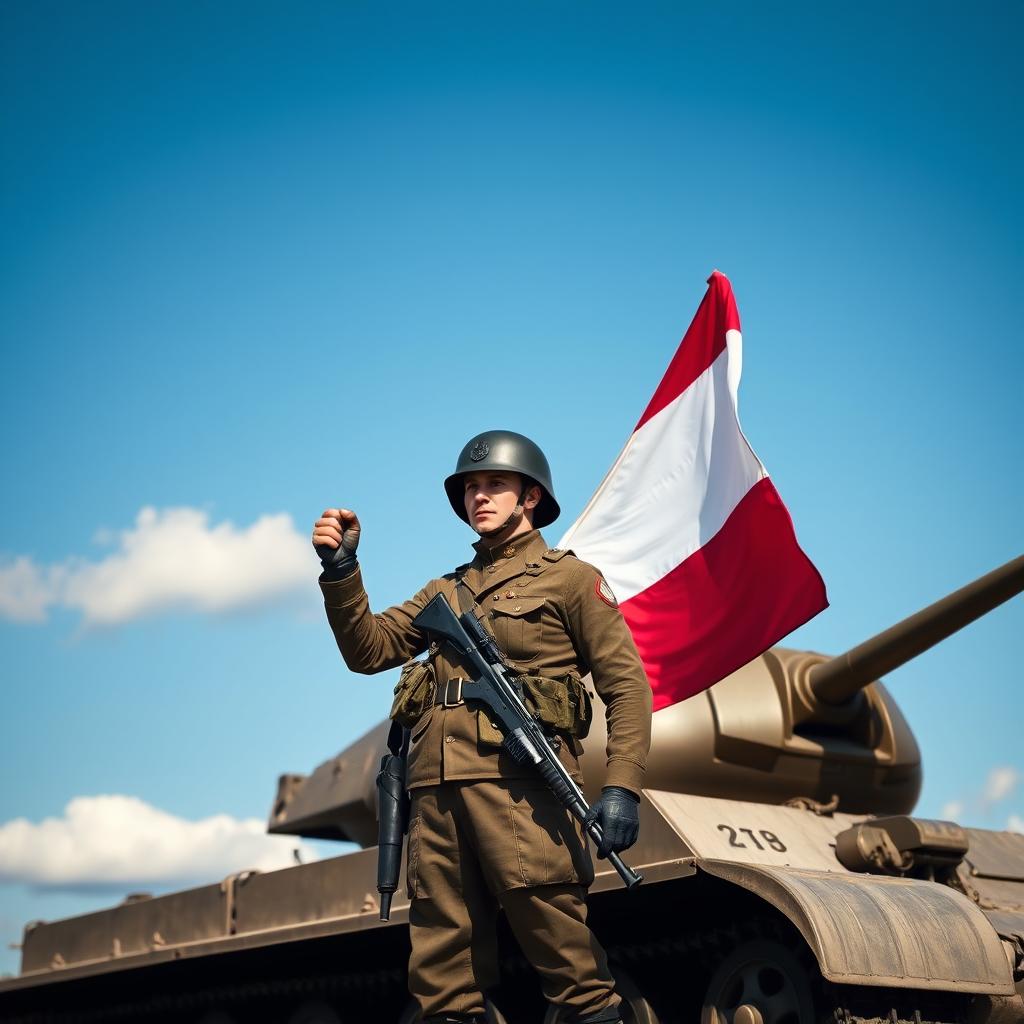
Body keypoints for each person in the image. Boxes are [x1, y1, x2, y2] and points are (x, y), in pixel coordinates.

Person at [312, 430, 652, 1024]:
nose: (479, 496)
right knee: (443, 981)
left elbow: (626, 687)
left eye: (495, 483)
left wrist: (621, 786)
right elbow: (369, 650)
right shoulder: (445, 590)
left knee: (572, 971)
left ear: (530, 497)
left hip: (521, 793)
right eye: (470, 487)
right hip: (435, 796)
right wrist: (343, 571)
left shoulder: (570, 580)